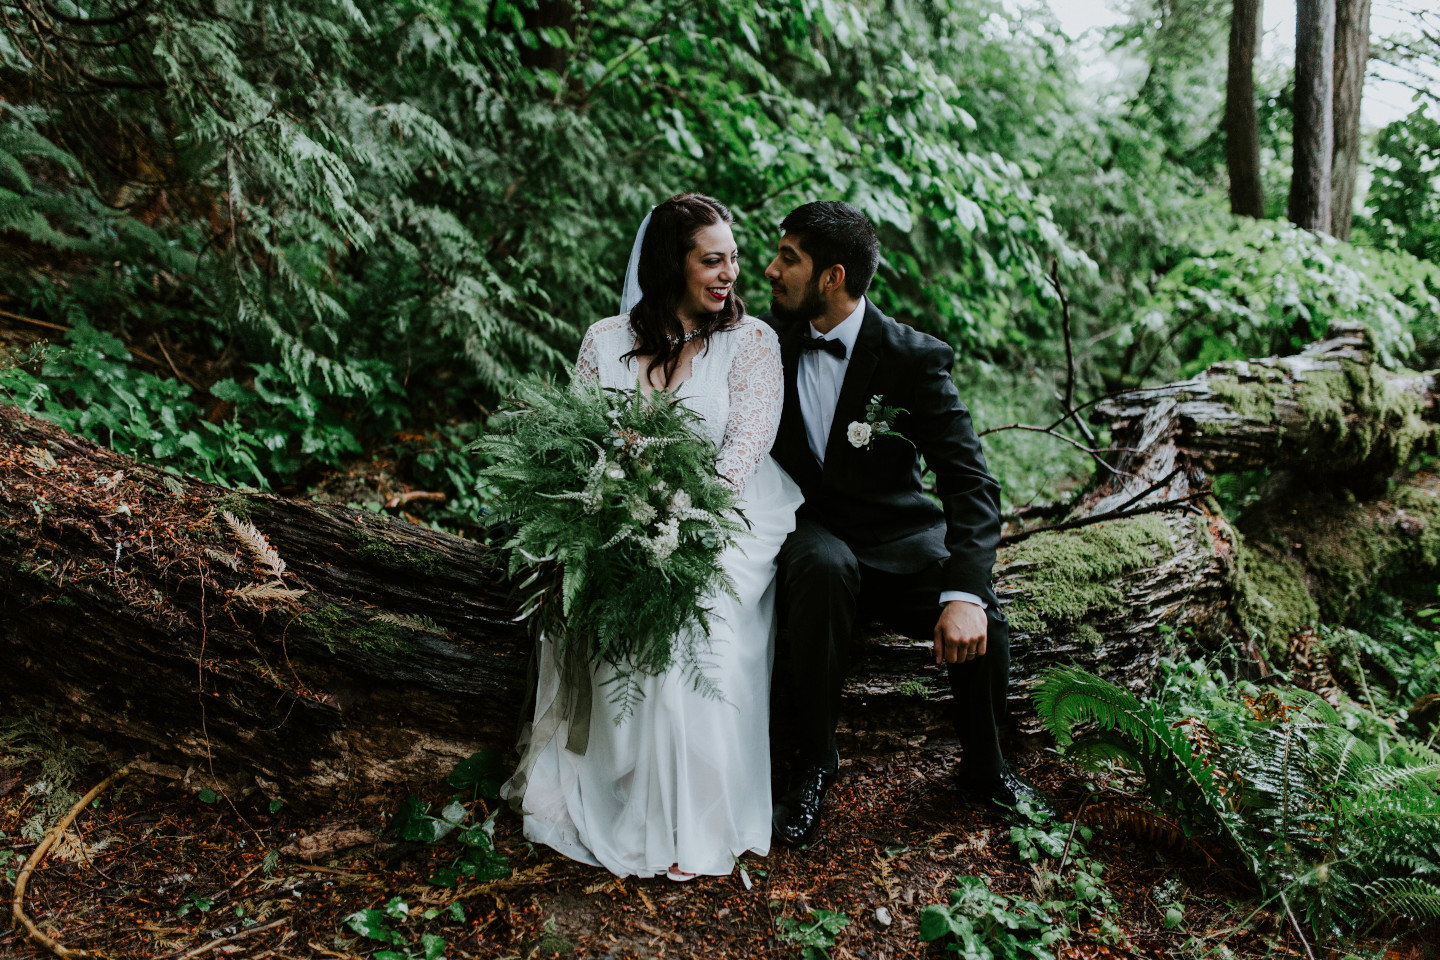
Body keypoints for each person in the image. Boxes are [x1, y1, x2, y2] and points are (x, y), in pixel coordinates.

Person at [502, 194, 804, 880]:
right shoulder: (604, 340)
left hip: (726, 518)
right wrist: (613, 514)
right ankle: (613, 787)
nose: (731, 272)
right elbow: (576, 443)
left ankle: (685, 818)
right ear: (673, 263)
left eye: (733, 257)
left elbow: (742, 453)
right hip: (620, 512)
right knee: (599, 598)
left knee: (693, 630)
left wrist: (674, 517)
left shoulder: (753, 343)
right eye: (712, 259)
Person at [762, 201, 1046, 847]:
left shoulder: (912, 358)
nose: (772, 270)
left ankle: (986, 768)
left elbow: (971, 483)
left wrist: (965, 593)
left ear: (831, 276)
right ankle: (814, 765)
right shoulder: (764, 343)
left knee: (986, 617)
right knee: (823, 567)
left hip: (898, 538)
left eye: (789, 258)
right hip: (811, 532)